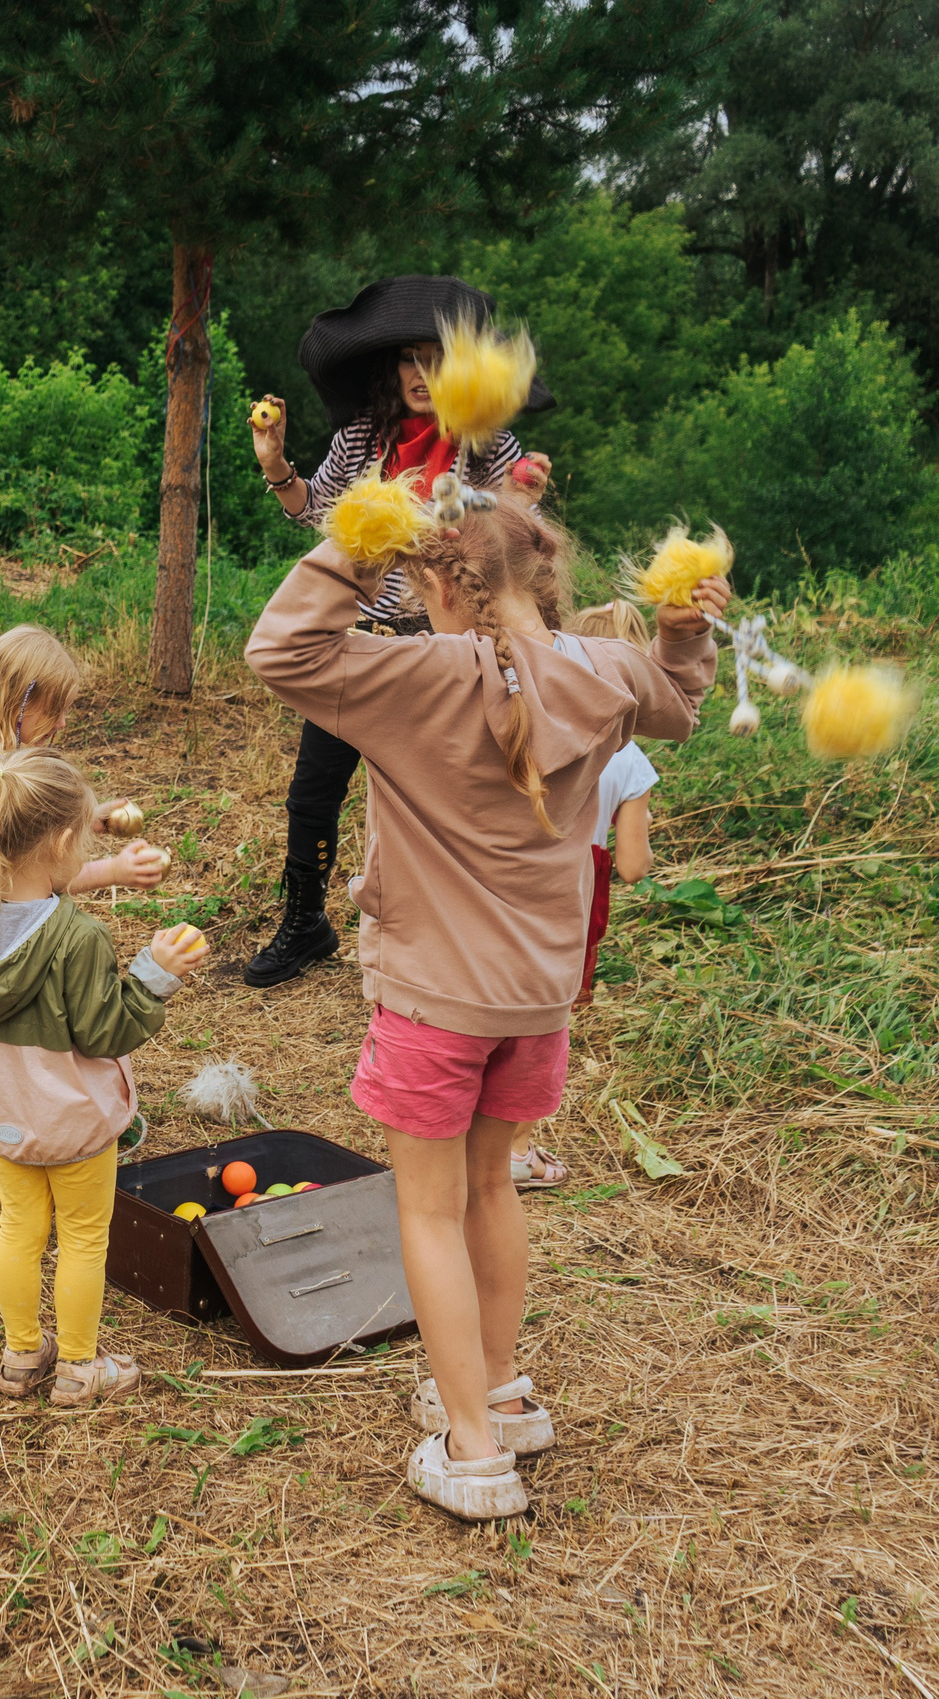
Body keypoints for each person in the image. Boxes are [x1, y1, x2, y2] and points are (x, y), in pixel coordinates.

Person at [245, 498, 723, 1521]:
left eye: (417, 587)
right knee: (490, 1191)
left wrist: (354, 538)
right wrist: (683, 632)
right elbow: (678, 702)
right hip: (537, 998)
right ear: (542, 579)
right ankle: (498, 1396)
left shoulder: (416, 676)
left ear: (439, 585)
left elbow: (281, 648)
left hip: (434, 999)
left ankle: (469, 1454)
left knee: (425, 1209)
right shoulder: (607, 670)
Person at [241, 276, 555, 989]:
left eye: (438, 358)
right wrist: (274, 464)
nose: (423, 373)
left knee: (447, 797)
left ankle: (452, 935)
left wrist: (524, 500)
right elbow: (315, 511)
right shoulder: (364, 438)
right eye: (411, 358)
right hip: (368, 643)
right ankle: (305, 921)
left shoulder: (489, 446)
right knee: (313, 791)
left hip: (456, 647)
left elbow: (519, 537)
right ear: (392, 368)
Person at [0, 749, 209, 1406]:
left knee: (19, 1229)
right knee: (82, 1236)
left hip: (5, 1116)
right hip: (73, 1120)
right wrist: (156, 971)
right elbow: (107, 1030)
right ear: (58, 840)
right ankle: (79, 1366)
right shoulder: (77, 937)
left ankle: (22, 1354)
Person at [0, 624, 171, 1194]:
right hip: (9, 924)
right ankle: (53, 1133)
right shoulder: (2, 771)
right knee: (33, 1044)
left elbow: (33, 833)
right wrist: (113, 871)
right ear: (20, 701)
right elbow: (33, 872)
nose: (63, 724)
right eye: (56, 710)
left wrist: (90, 817)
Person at [564, 602, 659, 1003]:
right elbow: (634, 867)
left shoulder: (536, 732)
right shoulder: (632, 762)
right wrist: (643, 824)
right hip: (581, 880)